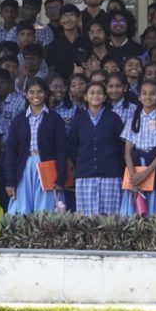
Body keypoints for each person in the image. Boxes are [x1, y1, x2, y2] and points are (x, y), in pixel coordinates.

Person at [4, 78, 68, 215]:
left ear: (45, 94)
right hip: (24, 167)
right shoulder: (18, 120)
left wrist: (60, 178)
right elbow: (11, 151)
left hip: (48, 166)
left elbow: (62, 150)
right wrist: (10, 181)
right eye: (31, 92)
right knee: (21, 210)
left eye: (39, 92)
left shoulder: (55, 119)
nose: (35, 96)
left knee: (46, 210)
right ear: (26, 95)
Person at [119, 80, 156, 215]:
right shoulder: (133, 119)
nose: (148, 97)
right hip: (136, 166)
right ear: (139, 97)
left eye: (152, 94)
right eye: (144, 93)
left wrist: (146, 173)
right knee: (137, 206)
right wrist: (133, 177)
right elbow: (127, 152)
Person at [67, 81, 124, 216]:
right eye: (91, 93)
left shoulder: (113, 118)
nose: (95, 96)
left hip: (110, 175)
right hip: (85, 175)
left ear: (105, 97)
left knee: (111, 219)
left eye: (99, 93)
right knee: (86, 219)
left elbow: (121, 146)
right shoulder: (78, 120)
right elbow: (73, 146)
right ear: (85, 97)